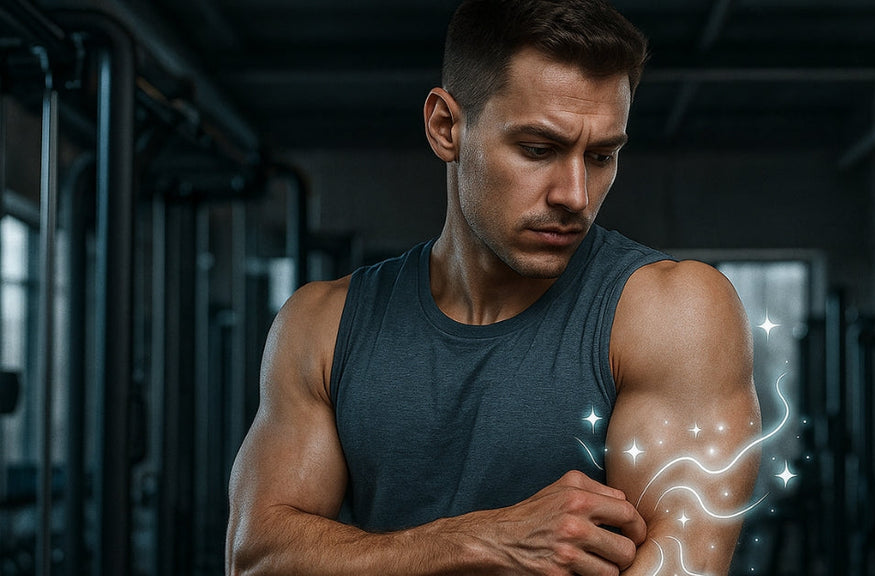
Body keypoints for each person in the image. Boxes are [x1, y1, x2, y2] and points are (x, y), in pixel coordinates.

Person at [226, 1, 761, 574]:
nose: (575, 195)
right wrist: (477, 540)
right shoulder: (323, 323)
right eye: (538, 150)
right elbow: (258, 556)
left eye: (602, 156)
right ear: (446, 127)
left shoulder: (671, 311)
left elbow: (683, 566)